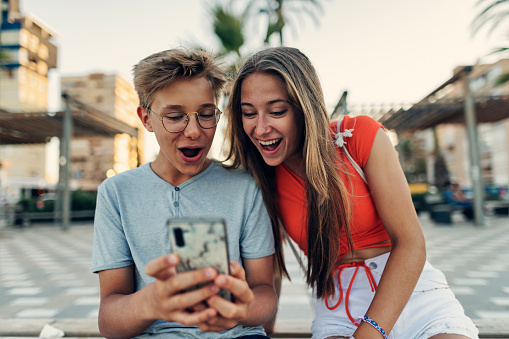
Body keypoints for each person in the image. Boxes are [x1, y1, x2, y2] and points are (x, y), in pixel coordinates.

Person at [225, 46, 479, 339]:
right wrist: (262, 332)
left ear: (304, 107)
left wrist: (369, 333)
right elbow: (271, 271)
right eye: (248, 113)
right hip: (339, 305)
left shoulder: (357, 137)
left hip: (413, 294)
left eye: (277, 111)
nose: (260, 128)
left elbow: (411, 243)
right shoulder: (261, 178)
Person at [92, 48, 277, 339]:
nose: (194, 131)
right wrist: (151, 302)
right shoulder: (116, 193)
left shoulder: (245, 188)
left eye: (206, 114)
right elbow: (109, 322)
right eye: (175, 116)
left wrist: (239, 308)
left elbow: (265, 296)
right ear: (147, 119)